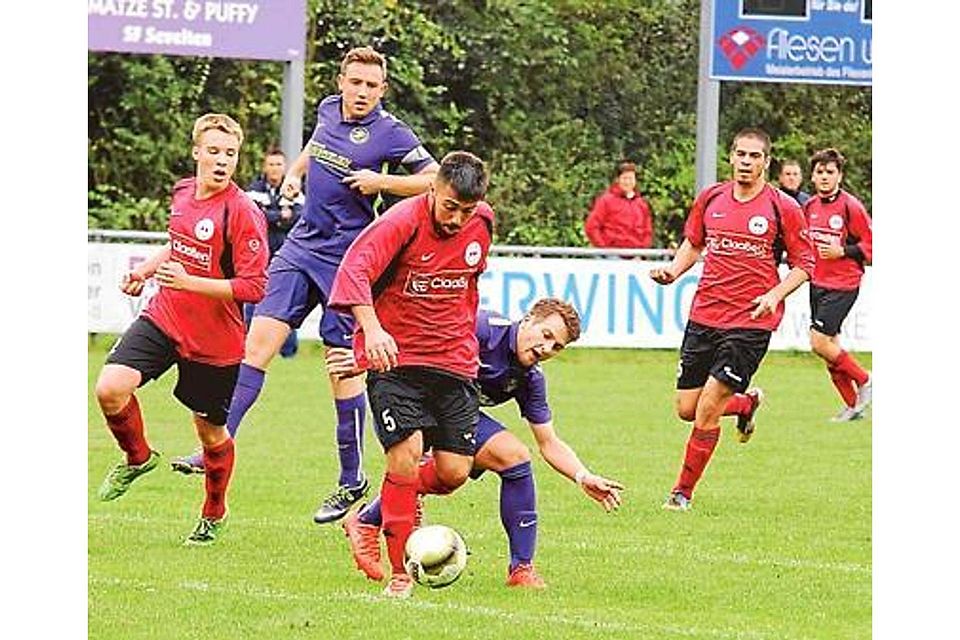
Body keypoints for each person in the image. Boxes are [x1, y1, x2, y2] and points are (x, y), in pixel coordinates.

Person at [169, 47, 439, 529]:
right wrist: (294, 175)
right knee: (256, 345)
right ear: (341, 81)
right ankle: (217, 442)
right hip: (301, 247)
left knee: (340, 368)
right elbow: (317, 146)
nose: (360, 92)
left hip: (348, 259)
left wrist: (382, 180)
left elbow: (435, 178)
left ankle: (351, 477)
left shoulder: (392, 132)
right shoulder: (327, 110)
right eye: (354, 82)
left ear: (382, 90)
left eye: (370, 85)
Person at [335, 298, 625, 589]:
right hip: (412, 393)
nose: (547, 348)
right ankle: (374, 524)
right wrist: (364, 357)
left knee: (470, 471)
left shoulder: (530, 378)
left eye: (557, 347)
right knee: (493, 458)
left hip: (454, 412)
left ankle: (520, 569)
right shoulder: (483, 328)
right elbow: (421, 334)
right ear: (527, 320)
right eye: (546, 335)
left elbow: (548, 442)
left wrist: (582, 476)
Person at [93, 113, 269, 544]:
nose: (221, 160)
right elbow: (179, 243)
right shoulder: (184, 193)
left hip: (216, 341)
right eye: (213, 151)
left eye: (230, 153)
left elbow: (254, 287)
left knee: (210, 434)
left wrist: (191, 282)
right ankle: (137, 458)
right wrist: (145, 271)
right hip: (165, 315)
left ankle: (214, 511)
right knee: (110, 388)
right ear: (196, 152)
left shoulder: (243, 213)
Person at [328, 151, 493, 598]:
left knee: (455, 472)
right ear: (433, 188)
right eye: (449, 207)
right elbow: (354, 270)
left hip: (454, 362)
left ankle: (367, 517)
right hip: (396, 361)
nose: (458, 219)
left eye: (467, 211)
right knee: (404, 455)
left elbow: (469, 284)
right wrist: (373, 331)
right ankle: (401, 574)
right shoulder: (400, 221)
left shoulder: (483, 224)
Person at [649, 127, 815, 512]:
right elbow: (694, 242)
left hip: (751, 322)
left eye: (754, 156)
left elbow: (805, 263)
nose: (745, 162)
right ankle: (744, 405)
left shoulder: (782, 207)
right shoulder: (711, 198)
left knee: (707, 408)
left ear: (766, 161)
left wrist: (774, 295)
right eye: (740, 154)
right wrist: (674, 272)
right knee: (686, 409)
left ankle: (681, 493)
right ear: (731, 157)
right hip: (705, 314)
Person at [803, 148, 873, 422]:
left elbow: (871, 244)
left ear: (839, 176)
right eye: (819, 172)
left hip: (843, 283)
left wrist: (842, 252)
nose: (824, 177)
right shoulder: (808, 207)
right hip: (817, 281)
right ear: (813, 176)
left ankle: (866, 380)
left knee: (819, 342)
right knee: (830, 346)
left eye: (830, 172)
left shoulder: (850, 206)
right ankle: (853, 406)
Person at [244, 146, 304, 358]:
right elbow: (253, 217)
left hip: (287, 256)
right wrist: (281, 215)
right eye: (271, 164)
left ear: (285, 167)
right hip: (258, 256)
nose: (275, 168)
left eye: (279, 164)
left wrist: (271, 215)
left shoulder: (295, 189)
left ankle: (289, 353)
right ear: (265, 166)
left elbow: (300, 217)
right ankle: (248, 348)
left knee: (288, 303)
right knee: (253, 301)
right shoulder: (254, 189)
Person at [584, 160, 654, 249]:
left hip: (636, 256)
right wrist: (604, 249)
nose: (628, 182)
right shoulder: (606, 201)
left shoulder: (641, 204)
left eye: (631, 178)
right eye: (625, 178)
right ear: (618, 180)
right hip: (612, 256)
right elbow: (591, 227)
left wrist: (642, 252)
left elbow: (647, 231)